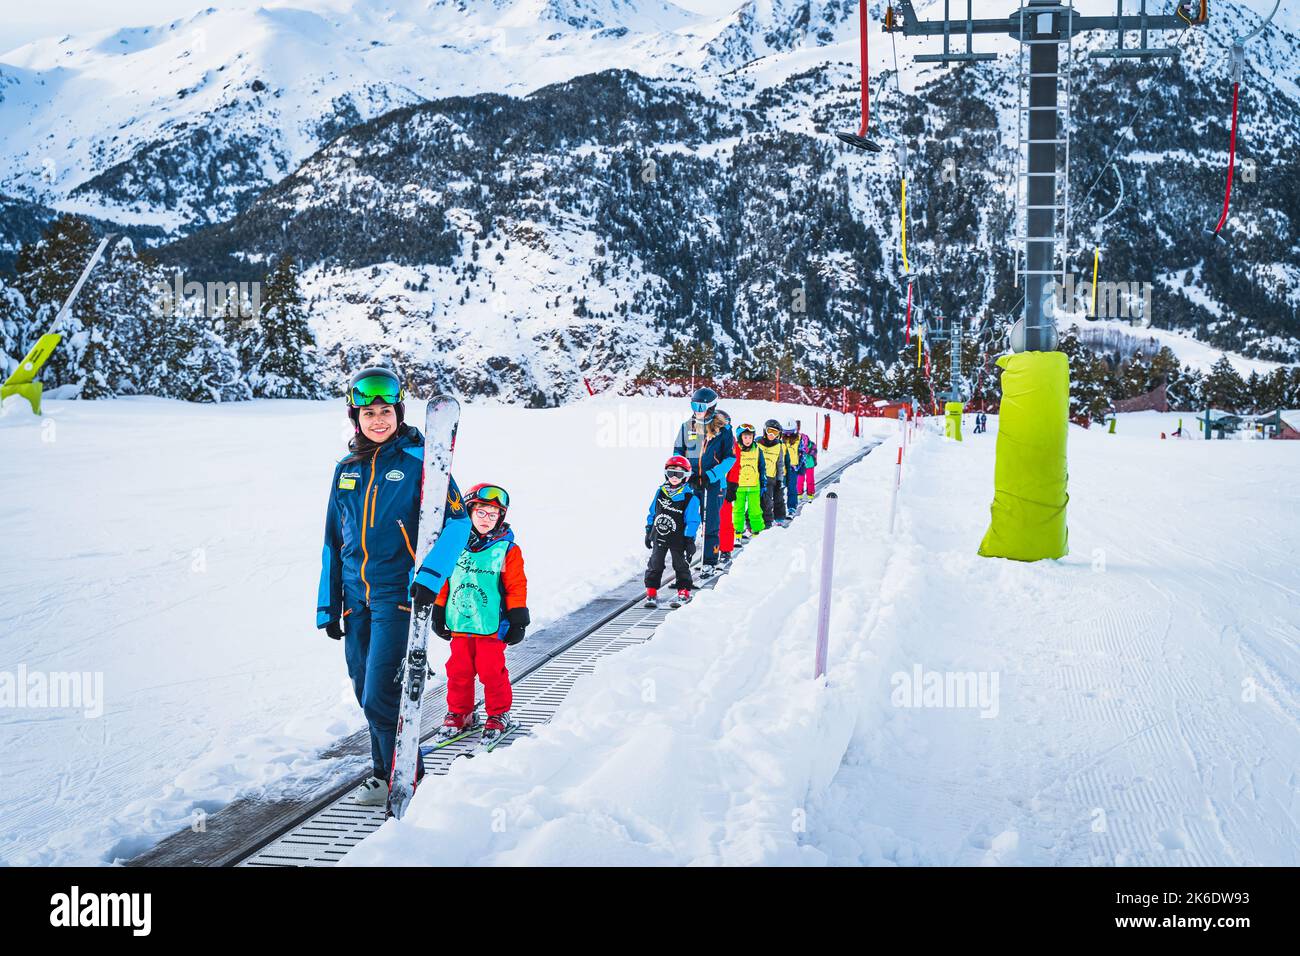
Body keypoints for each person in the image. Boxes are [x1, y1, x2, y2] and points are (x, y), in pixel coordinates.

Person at [317, 366, 471, 806]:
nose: (378, 419)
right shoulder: (347, 469)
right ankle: (385, 772)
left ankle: (409, 776)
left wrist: (430, 578)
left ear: (399, 413)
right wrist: (329, 604)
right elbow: (332, 539)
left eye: (386, 411)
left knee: (381, 692)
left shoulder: (423, 461)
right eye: (369, 412)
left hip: (398, 596)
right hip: (355, 598)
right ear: (355, 418)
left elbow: (458, 525)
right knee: (364, 688)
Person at [429, 483, 529, 748]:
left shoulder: (507, 549)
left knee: (491, 671)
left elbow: (516, 585)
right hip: (460, 623)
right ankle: (461, 713)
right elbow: (444, 580)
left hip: (491, 626)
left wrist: (518, 616)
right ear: (470, 512)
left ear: (501, 518)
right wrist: (439, 610)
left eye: (493, 514)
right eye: (482, 513)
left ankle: (498, 715)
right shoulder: (455, 546)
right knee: (458, 671)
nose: (487, 519)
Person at [672, 387, 735, 578]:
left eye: (700, 406)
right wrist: (684, 473)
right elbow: (677, 451)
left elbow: (729, 458)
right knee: (689, 520)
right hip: (691, 481)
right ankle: (685, 559)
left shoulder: (723, 430)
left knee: (712, 523)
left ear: (711, 407)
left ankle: (709, 561)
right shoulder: (687, 426)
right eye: (693, 405)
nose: (696, 410)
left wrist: (712, 475)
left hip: (712, 482)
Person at [644, 455, 700, 608]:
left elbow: (693, 520)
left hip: (678, 539)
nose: (675, 477)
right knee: (655, 563)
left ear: (686, 477)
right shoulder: (660, 492)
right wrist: (649, 529)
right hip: (659, 535)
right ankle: (651, 591)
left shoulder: (690, 498)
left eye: (679, 474)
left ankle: (683, 590)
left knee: (680, 564)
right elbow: (652, 512)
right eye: (671, 473)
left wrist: (689, 540)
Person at [732, 422, 767, 537]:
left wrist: (763, 483)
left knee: (755, 510)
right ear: (740, 437)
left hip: (754, 486)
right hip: (739, 486)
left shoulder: (757, 450)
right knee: (738, 510)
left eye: (750, 437)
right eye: (745, 437)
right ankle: (738, 532)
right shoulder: (735, 450)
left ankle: (757, 531)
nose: (748, 440)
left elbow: (762, 467)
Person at [756, 418, 789, 527]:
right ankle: (753, 521)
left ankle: (769, 521)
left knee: (769, 501)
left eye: (775, 433)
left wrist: (779, 479)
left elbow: (780, 464)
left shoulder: (778, 446)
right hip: (756, 476)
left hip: (770, 477)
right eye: (770, 431)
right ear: (765, 430)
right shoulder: (757, 443)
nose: (771, 435)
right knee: (757, 501)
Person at [782, 420, 802, 518]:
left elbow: (802, 453)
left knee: (792, 488)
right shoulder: (781, 440)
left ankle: (792, 507)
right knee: (779, 489)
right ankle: (778, 509)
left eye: (790, 432)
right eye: (786, 432)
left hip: (793, 468)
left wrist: (800, 466)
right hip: (782, 468)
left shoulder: (798, 439)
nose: (788, 435)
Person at [796, 425, 818, 502]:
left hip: (809, 465)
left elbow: (815, 451)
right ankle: (799, 494)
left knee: (810, 480)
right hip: (801, 465)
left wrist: (808, 451)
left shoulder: (811, 444)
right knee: (799, 480)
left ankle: (810, 494)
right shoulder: (797, 445)